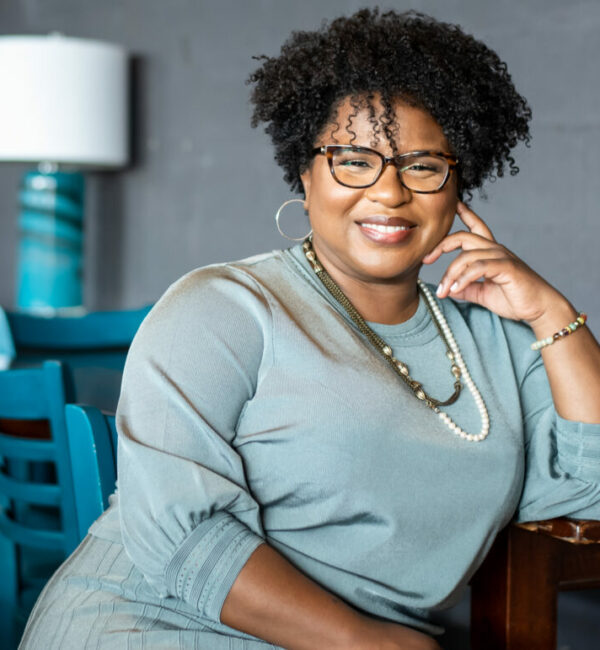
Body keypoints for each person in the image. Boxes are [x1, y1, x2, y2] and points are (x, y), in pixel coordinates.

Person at [20, 8, 600, 650]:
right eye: (354, 160)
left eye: (422, 165)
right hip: (157, 625)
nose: (389, 193)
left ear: (458, 182)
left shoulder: (504, 340)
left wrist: (556, 316)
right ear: (305, 170)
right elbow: (180, 533)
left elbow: (587, 498)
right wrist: (369, 642)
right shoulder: (223, 309)